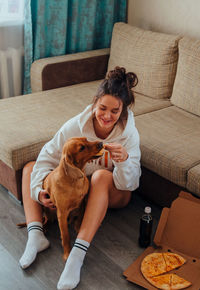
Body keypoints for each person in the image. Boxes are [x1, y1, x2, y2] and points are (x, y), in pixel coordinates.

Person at [19, 66, 141, 290]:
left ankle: (77, 253)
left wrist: (123, 160)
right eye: (102, 108)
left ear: (122, 112)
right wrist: (38, 192)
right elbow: (47, 156)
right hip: (79, 193)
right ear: (95, 103)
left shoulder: (128, 134)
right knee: (30, 168)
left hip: (113, 193)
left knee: (101, 177)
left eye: (114, 111)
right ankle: (36, 234)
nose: (107, 116)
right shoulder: (76, 126)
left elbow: (130, 184)